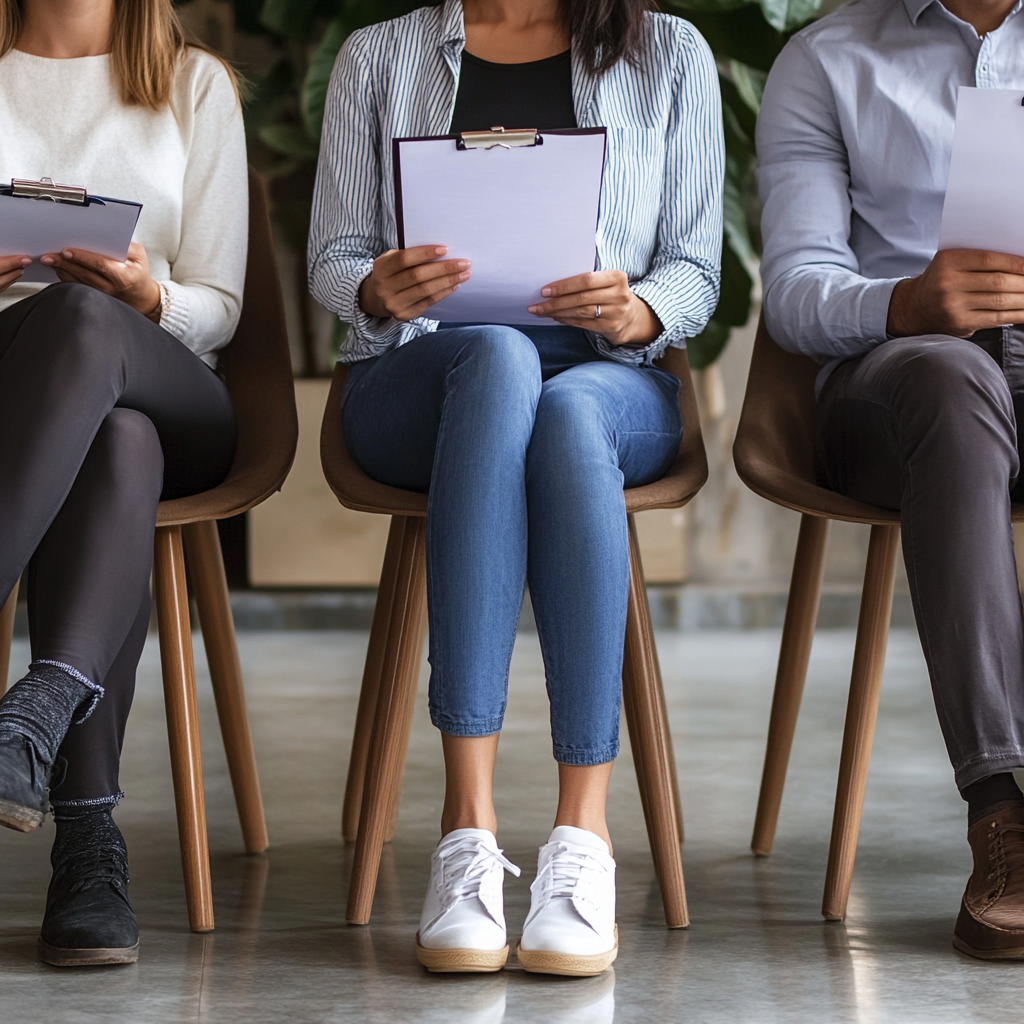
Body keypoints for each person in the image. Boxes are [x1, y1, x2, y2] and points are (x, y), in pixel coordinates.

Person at [310, 0, 722, 976]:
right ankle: (468, 836)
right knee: (495, 357)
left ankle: (581, 840)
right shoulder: (379, 55)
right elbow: (331, 254)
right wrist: (376, 285)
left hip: (608, 378)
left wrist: (636, 308)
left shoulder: (668, 53)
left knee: (569, 417)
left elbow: (697, 267)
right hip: (423, 379)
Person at [758, 0, 1024, 961]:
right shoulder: (829, 61)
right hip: (904, 378)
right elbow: (793, 290)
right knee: (952, 377)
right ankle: (1003, 815)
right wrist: (908, 301)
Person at [0, 0, 246, 966]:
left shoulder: (195, 84)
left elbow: (220, 308)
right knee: (117, 443)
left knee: (88, 326)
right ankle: (85, 834)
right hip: (19, 397)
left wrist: (147, 295)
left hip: (170, 371)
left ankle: (64, 780)